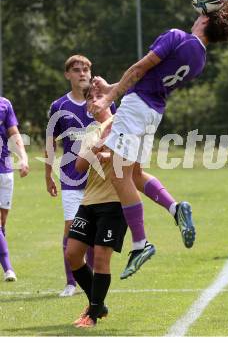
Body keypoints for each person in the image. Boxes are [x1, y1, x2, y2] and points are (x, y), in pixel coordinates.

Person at [91, 0, 228, 279]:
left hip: (136, 108)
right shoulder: (200, 60)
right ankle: (175, 208)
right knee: (134, 174)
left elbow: (139, 70)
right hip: (153, 112)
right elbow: (150, 78)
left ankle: (140, 243)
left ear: (205, 19)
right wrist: (112, 86)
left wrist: (109, 98)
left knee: (119, 175)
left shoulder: (177, 36)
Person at [65, 84, 127, 328]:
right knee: (72, 254)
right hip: (89, 201)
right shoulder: (91, 131)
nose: (93, 100)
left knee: (101, 259)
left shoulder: (122, 123)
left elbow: (132, 157)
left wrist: (108, 154)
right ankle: (97, 304)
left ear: (109, 98)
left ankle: (91, 315)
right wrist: (96, 146)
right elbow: (79, 166)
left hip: (114, 202)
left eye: (98, 96)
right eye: (89, 98)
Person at [45, 55, 98, 297]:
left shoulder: (102, 103)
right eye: (76, 70)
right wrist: (48, 174)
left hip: (98, 179)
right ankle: (70, 283)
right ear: (68, 75)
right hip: (70, 179)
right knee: (72, 228)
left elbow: (115, 134)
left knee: (95, 232)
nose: (82, 74)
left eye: (85, 69)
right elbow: (50, 142)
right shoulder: (59, 106)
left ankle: (96, 280)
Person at [0, 97, 29, 281]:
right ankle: (8, 268)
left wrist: (23, 157)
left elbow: (14, 134)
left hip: (5, 170)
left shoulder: (5, 104)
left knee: (2, 223)